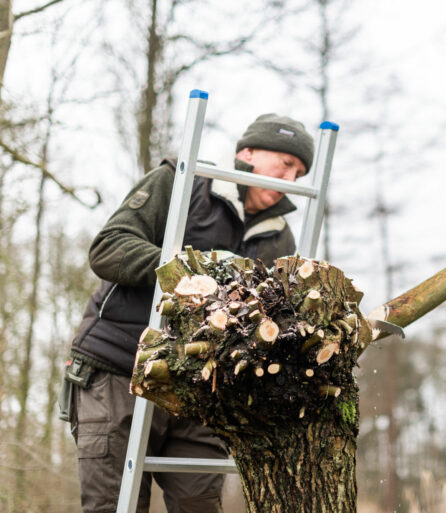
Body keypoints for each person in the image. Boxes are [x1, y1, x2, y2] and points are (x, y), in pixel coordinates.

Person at [62, 114, 315, 513]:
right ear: (246, 153)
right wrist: (187, 273)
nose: (292, 179)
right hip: (118, 370)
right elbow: (108, 247)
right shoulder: (182, 183)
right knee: (115, 506)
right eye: (286, 164)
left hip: (202, 389)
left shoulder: (280, 235)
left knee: (200, 505)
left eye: (300, 173)